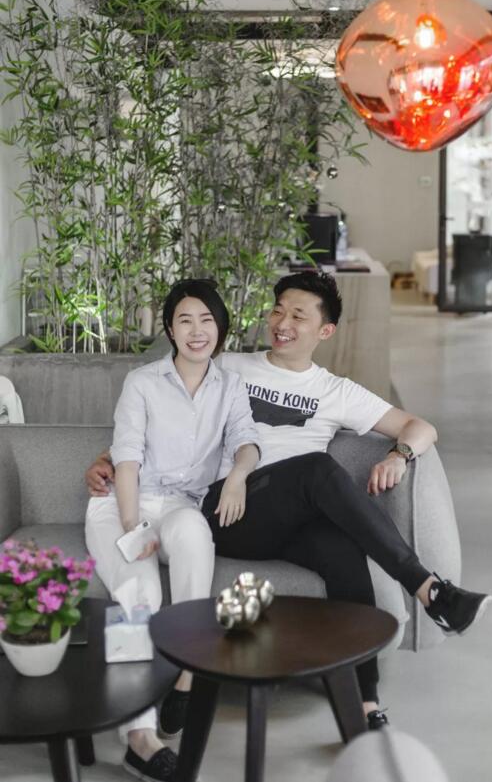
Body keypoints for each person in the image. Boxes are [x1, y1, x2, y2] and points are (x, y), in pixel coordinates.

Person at [87, 271, 492, 739]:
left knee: (342, 550)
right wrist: (107, 459)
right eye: (278, 310)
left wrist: (399, 456)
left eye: (298, 316)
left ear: (325, 330)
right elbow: (163, 414)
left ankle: (364, 701)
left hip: (290, 520)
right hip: (228, 511)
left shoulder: (337, 391)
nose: (282, 323)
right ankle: (429, 590)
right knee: (315, 470)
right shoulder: (230, 365)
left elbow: (421, 428)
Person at [85, 278, 260, 782]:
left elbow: (246, 439)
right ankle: (139, 738)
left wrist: (238, 477)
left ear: (221, 329)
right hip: (122, 504)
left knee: (194, 534)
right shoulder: (142, 382)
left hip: (183, 505)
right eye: (185, 320)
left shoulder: (230, 386)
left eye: (207, 320)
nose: (197, 330)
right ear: (169, 329)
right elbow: (126, 458)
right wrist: (133, 527)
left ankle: (186, 676)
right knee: (139, 593)